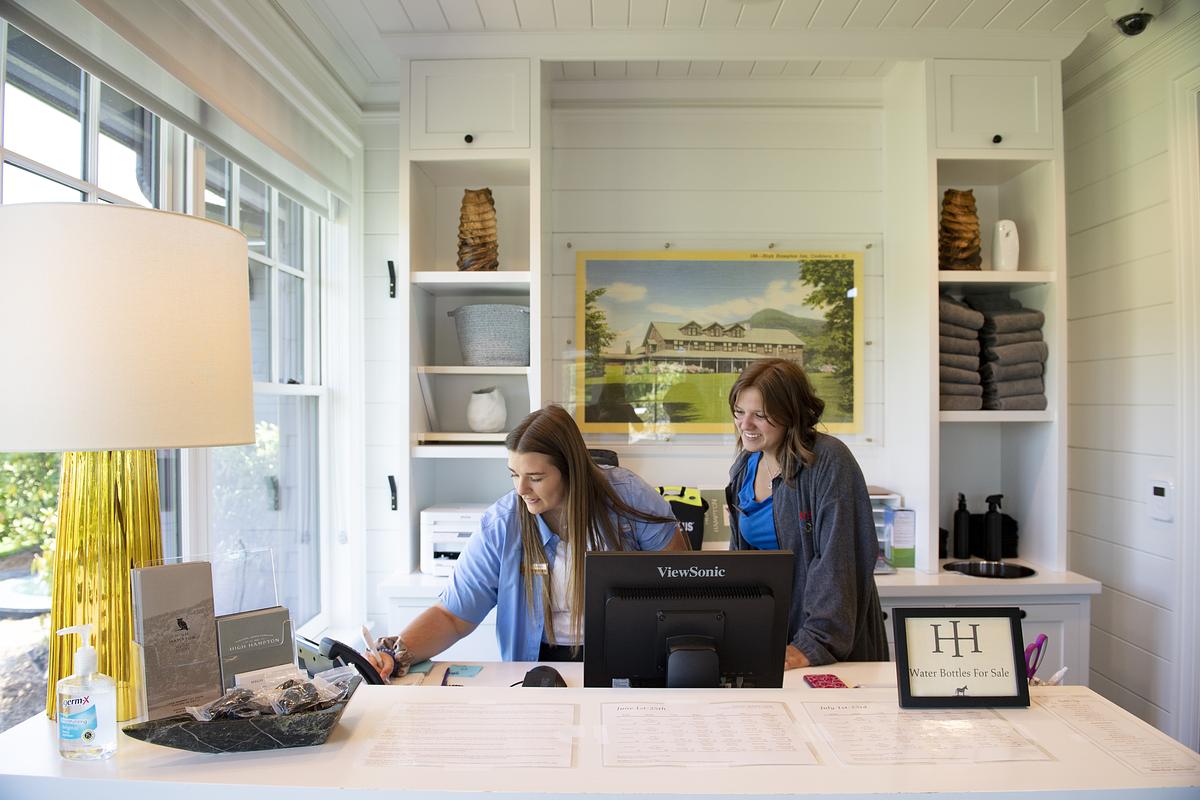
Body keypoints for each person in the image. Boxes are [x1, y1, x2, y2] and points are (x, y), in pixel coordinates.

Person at [368, 405, 687, 680]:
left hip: (622, 657)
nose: (521, 488)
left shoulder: (627, 495)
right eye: (513, 474)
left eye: (535, 477)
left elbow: (678, 581)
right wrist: (397, 655)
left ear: (571, 471)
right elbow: (452, 616)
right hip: (538, 664)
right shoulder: (502, 522)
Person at [725, 358, 888, 669]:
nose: (745, 425)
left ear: (790, 414)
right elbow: (741, 561)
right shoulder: (746, 466)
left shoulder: (828, 462)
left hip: (827, 644)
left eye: (759, 415)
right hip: (774, 634)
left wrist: (813, 644)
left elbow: (838, 561)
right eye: (739, 412)